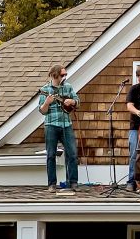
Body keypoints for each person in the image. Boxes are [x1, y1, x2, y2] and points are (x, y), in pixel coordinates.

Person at [39, 64, 80, 193]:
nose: (64, 76)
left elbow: (77, 101)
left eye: (65, 74)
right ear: (55, 75)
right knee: (51, 155)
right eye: (62, 75)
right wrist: (47, 102)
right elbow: (42, 111)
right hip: (51, 125)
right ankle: (52, 184)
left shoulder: (68, 87)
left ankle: (73, 182)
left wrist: (71, 102)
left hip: (66, 124)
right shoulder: (45, 89)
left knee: (72, 153)